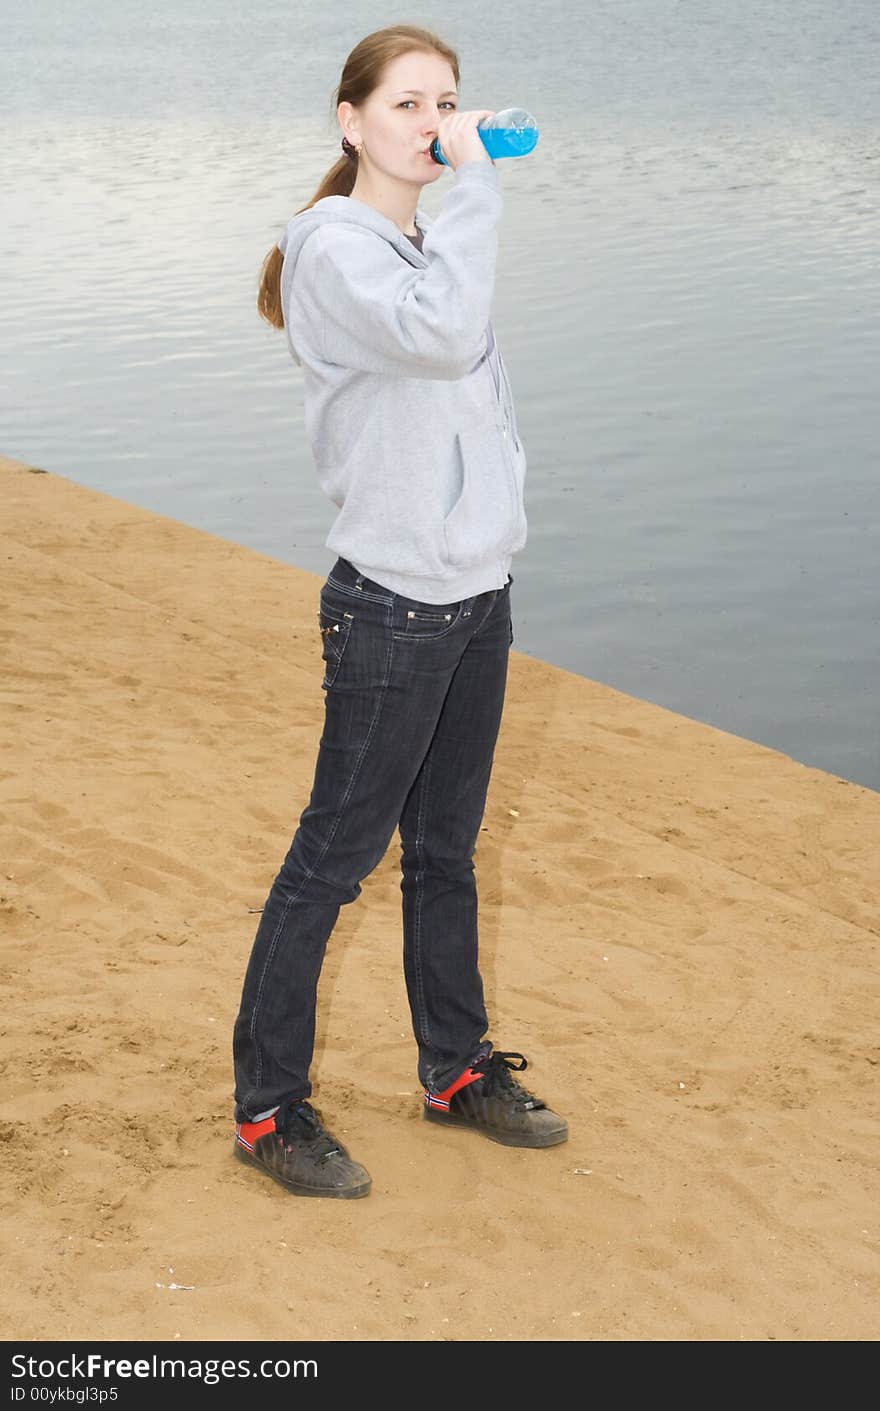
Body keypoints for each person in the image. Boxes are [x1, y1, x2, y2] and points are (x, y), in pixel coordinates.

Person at [233, 23, 567, 1199]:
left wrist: (496, 532)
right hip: (391, 606)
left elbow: (467, 397)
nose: (434, 124)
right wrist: (475, 183)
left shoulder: (418, 243)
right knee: (330, 862)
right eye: (410, 104)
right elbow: (443, 338)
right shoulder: (335, 250)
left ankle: (454, 1069)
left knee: (445, 854)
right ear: (351, 120)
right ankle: (270, 1111)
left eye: (449, 104)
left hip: (474, 593)